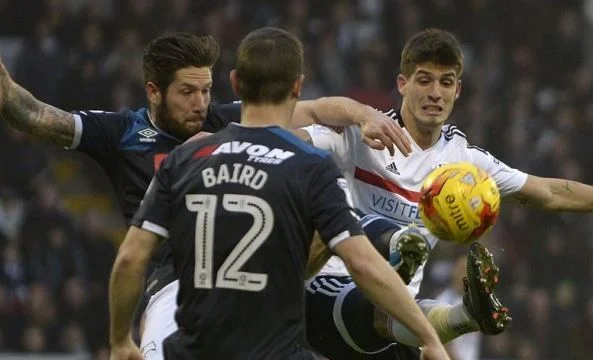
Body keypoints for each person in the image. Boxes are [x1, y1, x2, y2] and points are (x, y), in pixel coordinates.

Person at [0, 32, 413, 359]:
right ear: (153, 91)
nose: (200, 104)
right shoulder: (122, 133)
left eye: (206, 90)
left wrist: (366, 115)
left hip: (251, 280)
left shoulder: (223, 119)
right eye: (187, 92)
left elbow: (320, 108)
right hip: (174, 286)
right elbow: (36, 116)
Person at [298, 28, 593, 359]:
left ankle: (462, 314)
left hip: (397, 322)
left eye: (446, 82)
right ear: (402, 84)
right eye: (424, 80)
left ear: (458, 91)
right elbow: (285, 132)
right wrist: (350, 114)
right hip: (330, 292)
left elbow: (552, 193)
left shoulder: (465, 163)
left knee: (411, 323)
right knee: (367, 261)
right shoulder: (361, 135)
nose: (434, 93)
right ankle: (397, 251)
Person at [107, 27, 449, 360]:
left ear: (235, 82)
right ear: (298, 86)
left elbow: (130, 259)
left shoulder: (184, 157)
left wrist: (120, 340)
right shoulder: (311, 165)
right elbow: (362, 263)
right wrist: (428, 337)